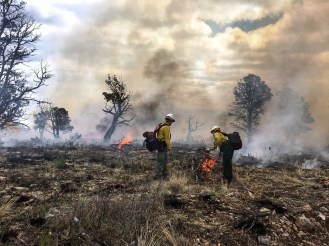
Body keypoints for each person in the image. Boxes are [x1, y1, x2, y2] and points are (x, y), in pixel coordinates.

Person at [154, 113, 175, 180]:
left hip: (161, 145)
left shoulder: (161, 124)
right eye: (172, 121)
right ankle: (156, 176)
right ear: (170, 120)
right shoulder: (166, 127)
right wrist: (170, 148)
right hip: (162, 146)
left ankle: (164, 174)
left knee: (165, 161)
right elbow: (167, 139)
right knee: (160, 161)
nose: (172, 123)